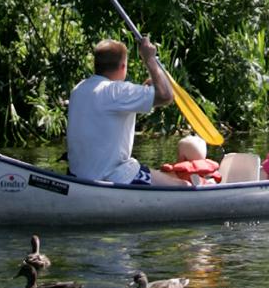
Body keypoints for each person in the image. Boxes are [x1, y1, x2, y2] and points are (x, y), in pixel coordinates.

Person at [66, 38, 187, 185]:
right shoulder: (116, 92)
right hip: (113, 176)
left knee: (165, 175)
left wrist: (145, 90)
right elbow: (166, 96)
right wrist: (149, 59)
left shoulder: (79, 89)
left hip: (77, 176)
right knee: (182, 185)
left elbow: (113, 109)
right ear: (123, 66)